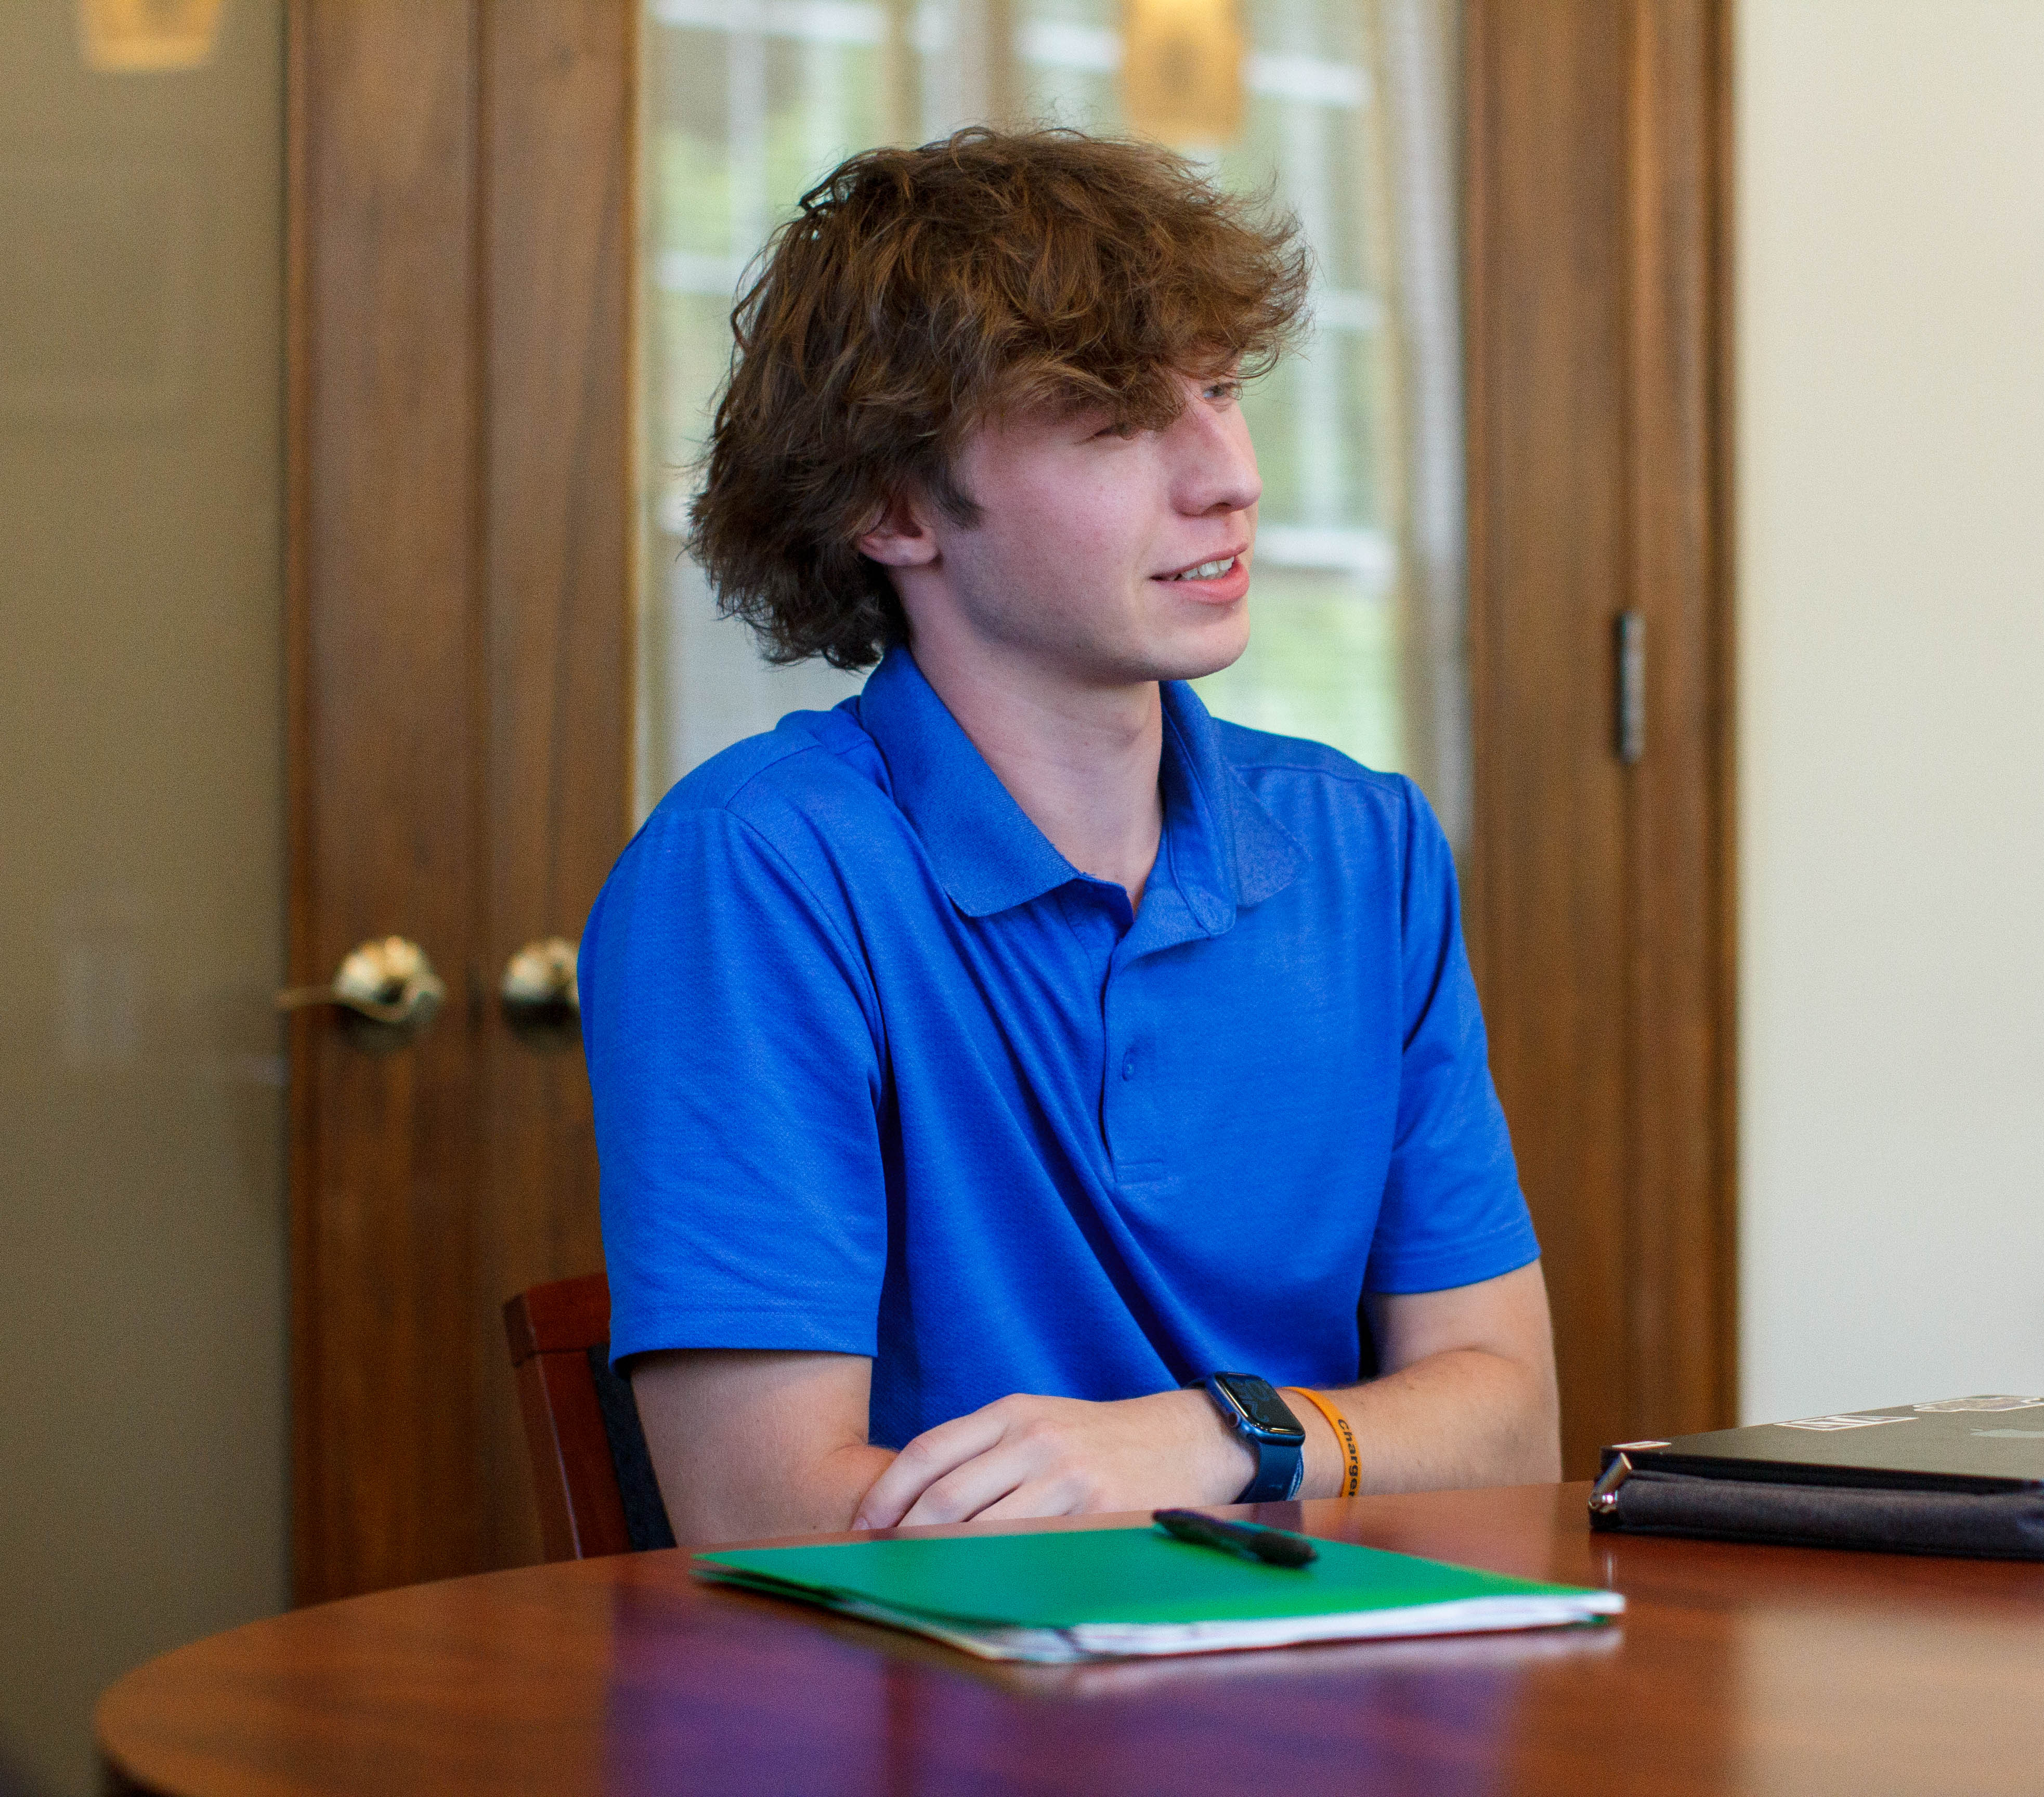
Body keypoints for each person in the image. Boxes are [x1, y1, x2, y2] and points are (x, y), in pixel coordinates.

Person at [581, 127, 1556, 1545]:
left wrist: (1209, 1440)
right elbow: (765, 1511)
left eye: (1221, 390)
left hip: (1336, 1702)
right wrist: (1336, 1454)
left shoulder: (1369, 849)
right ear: (893, 504)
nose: (1227, 477)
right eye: (1113, 423)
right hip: (940, 1721)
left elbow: (1516, 1423)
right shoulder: (756, 871)